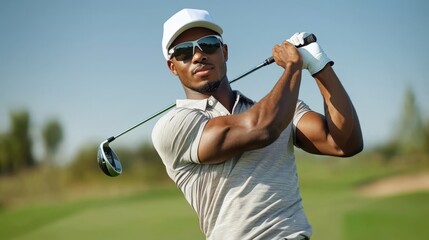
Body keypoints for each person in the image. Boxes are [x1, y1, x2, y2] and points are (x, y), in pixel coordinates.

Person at [152, 8, 363, 240]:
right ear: (172, 66)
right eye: (183, 52)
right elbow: (261, 129)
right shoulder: (172, 126)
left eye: (209, 45)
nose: (198, 55)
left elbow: (345, 143)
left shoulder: (281, 108)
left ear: (224, 52)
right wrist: (293, 67)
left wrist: (320, 65)